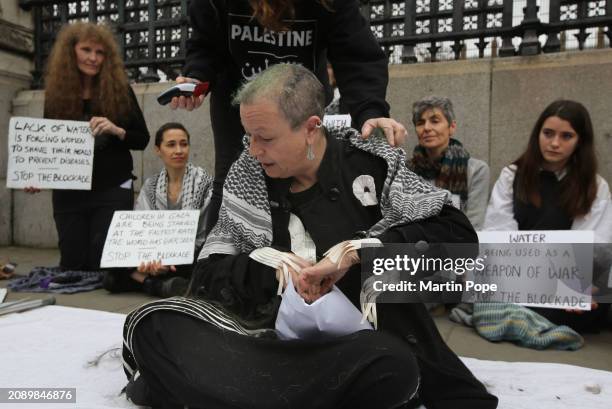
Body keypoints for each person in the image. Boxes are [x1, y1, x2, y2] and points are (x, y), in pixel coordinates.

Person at [122, 64, 497, 409]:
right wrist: (273, 268)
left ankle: (220, 393)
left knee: (392, 364)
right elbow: (208, 275)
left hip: (354, 350)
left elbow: (457, 243)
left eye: (265, 137)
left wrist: (358, 254)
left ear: (311, 128)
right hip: (261, 343)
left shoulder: (373, 164)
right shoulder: (245, 173)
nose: (253, 150)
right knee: (154, 325)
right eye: (249, 136)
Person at [170, 0, 408, 233]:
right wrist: (196, 76)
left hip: (299, 109)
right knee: (232, 182)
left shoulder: (329, 4)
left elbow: (356, 54)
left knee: (304, 177)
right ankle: (220, 260)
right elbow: (206, 45)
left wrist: (370, 112)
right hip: (241, 112)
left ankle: (309, 248)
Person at [28, 22, 150, 272]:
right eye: (86, 50)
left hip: (111, 188)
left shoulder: (120, 91)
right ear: (71, 52)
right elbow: (47, 145)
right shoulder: (56, 94)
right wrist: (36, 175)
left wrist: (117, 130)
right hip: (68, 191)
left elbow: (142, 139)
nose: (93, 58)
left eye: (100, 52)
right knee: (73, 265)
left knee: (102, 265)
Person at [484, 99, 612, 332]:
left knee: (598, 298)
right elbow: (498, 231)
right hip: (519, 275)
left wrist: (577, 285)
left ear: (580, 141)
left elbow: (594, 243)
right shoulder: (512, 175)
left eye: (566, 136)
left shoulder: (595, 185)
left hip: (568, 281)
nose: (554, 143)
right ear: (538, 134)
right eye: (548, 133)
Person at [103, 123, 213, 297]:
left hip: (189, 254)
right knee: (111, 257)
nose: (179, 150)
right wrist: (147, 258)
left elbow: (204, 236)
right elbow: (141, 229)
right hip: (153, 256)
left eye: (184, 144)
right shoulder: (151, 186)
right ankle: (155, 284)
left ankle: (141, 280)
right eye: (171, 145)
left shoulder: (205, 184)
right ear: (157, 150)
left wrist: (168, 260)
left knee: (202, 261)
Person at [409, 96, 490, 230]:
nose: (427, 128)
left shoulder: (476, 170)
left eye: (435, 121)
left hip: (459, 246)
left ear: (451, 127)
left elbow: (474, 225)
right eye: (420, 123)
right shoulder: (405, 171)